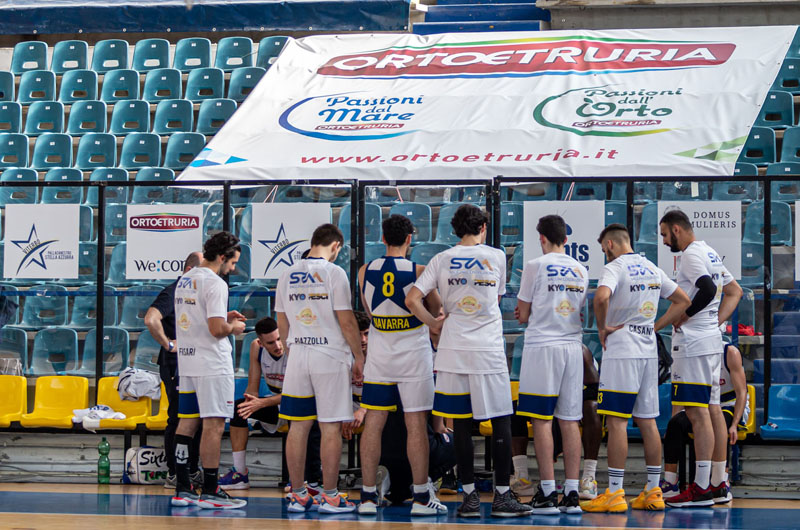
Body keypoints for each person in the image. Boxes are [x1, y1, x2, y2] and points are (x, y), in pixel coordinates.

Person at [406, 204, 531, 518]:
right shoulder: (497, 256)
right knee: (501, 419)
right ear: (483, 228)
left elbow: (411, 299)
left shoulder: (441, 258)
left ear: (455, 229)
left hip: (453, 349)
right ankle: (502, 497)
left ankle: (470, 498)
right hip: (488, 349)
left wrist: (434, 324)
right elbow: (496, 299)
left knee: (461, 423)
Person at [583, 224, 690, 513]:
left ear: (609, 244)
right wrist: (656, 326)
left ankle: (615, 492)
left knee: (617, 421)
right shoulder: (652, 267)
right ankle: (653, 490)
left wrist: (602, 328)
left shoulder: (614, 268)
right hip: (647, 350)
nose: (605, 254)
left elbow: (601, 297)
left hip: (622, 349)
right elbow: (683, 301)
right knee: (648, 420)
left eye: (604, 249)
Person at [356, 214, 447, 517]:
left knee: (373, 423)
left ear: (382, 238)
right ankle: (420, 497)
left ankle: (367, 496)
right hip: (413, 355)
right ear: (410, 239)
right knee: (416, 424)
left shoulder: (364, 270)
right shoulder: (420, 271)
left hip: (380, 354)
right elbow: (435, 310)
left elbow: (369, 310)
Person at [276, 223, 365, 514]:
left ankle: (298, 494)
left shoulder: (287, 273)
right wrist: (358, 356)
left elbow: (281, 320)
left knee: (298, 426)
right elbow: (347, 321)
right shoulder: (334, 273)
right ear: (336, 245)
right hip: (329, 355)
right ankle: (330, 496)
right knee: (330, 428)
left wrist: (292, 349)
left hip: (298, 353)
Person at [659, 210, 743, 507]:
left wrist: (686, 315)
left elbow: (707, 288)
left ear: (677, 229)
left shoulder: (691, 255)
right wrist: (713, 322)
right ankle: (717, 483)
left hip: (694, 344)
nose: (664, 241)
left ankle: (701, 488)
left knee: (697, 412)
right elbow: (734, 291)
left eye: (665, 234)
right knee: (712, 409)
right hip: (709, 340)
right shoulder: (709, 252)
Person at [515, 214, 588, 515]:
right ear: (566, 239)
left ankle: (547, 492)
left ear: (542, 238)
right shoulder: (581, 269)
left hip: (542, 346)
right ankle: (571, 492)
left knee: (542, 419)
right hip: (572, 346)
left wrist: (530, 311)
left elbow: (522, 314)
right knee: (570, 420)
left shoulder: (534, 265)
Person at [170, 232, 248, 510]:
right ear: (222, 256)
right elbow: (216, 330)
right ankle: (212, 490)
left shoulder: (186, 279)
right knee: (213, 426)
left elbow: (197, 319)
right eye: (233, 262)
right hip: (212, 363)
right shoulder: (215, 283)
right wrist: (234, 327)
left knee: (187, 423)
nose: (233, 268)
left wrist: (223, 318)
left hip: (188, 361)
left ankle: (183, 488)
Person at [218, 317, 322, 493]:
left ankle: (302, 479)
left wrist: (261, 403)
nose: (278, 345)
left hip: (300, 402)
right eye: (271, 342)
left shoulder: (293, 349)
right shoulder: (256, 348)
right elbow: (253, 388)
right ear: (261, 342)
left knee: (299, 416)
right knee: (238, 409)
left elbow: (295, 393)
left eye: (279, 339)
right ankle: (240, 473)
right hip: (277, 403)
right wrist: (250, 403)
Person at [143, 251, 203, 489]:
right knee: (178, 417)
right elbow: (151, 319)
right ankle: (175, 472)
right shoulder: (173, 291)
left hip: (194, 362)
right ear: (189, 271)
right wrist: (168, 344)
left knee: (195, 417)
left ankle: (191, 469)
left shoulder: (194, 294)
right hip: (175, 364)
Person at [661, 342, 748, 504]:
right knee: (675, 424)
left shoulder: (729, 352)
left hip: (729, 405)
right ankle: (670, 482)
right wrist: (674, 419)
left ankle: (721, 479)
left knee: (721, 423)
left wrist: (735, 424)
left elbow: (742, 392)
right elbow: (681, 395)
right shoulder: (691, 351)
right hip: (702, 405)